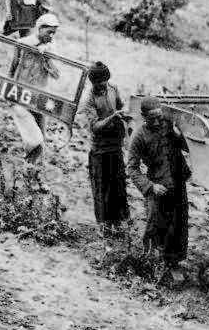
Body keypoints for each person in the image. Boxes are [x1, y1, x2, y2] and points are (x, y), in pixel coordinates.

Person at [127, 95, 191, 278]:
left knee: (179, 222)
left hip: (178, 181)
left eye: (159, 116)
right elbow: (131, 168)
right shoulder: (139, 135)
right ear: (144, 116)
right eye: (151, 118)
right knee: (155, 224)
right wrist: (150, 186)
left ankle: (174, 262)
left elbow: (188, 148)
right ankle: (147, 262)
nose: (156, 121)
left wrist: (180, 135)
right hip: (157, 185)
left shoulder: (169, 124)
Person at [82, 61, 130, 236]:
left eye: (104, 83)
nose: (102, 87)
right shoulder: (88, 99)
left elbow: (120, 105)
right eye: (99, 85)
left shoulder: (113, 88)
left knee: (118, 185)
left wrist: (122, 113)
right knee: (102, 188)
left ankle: (118, 222)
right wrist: (114, 116)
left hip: (116, 145)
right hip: (99, 149)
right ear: (93, 83)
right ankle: (103, 225)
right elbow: (95, 126)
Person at [8, 13, 60, 163]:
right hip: (22, 95)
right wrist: (7, 91)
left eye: (54, 33)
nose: (51, 36)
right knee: (33, 139)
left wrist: (48, 58)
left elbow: (56, 75)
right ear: (40, 28)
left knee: (41, 138)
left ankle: (34, 172)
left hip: (40, 97)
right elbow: (12, 68)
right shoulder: (23, 43)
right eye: (48, 32)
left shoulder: (51, 49)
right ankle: (29, 165)